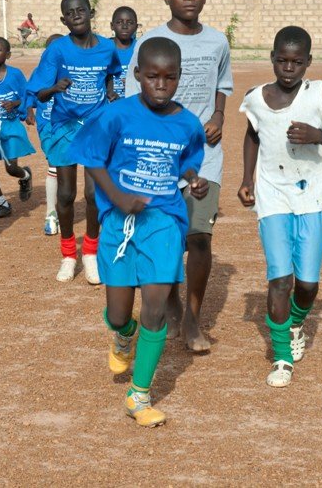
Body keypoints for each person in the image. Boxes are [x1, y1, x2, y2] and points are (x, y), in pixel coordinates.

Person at [73, 37, 207, 427]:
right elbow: (91, 158)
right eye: (152, 77)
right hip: (119, 222)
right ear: (137, 75)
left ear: (179, 77)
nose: (161, 85)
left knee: (155, 306)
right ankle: (122, 334)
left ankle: (139, 394)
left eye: (170, 77)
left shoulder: (187, 123)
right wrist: (116, 196)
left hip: (164, 220)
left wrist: (193, 179)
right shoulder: (116, 115)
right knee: (119, 314)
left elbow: (187, 161)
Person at [125, 0, 233, 352]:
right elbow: (133, 97)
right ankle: (170, 299)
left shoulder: (218, 42)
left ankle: (192, 318)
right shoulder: (149, 42)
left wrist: (218, 116)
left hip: (205, 155)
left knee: (200, 236)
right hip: (159, 157)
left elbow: (223, 85)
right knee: (166, 236)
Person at [238, 26, 322, 387]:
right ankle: (282, 357)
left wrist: (318, 136)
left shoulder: (320, 94)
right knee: (280, 279)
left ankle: (297, 321)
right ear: (272, 59)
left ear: (308, 62)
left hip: (312, 194)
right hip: (272, 194)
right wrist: (246, 179)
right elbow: (252, 136)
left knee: (306, 284)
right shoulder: (256, 98)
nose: (289, 68)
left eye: (297, 62)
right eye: (282, 61)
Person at [27, 0, 121, 283]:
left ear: (91, 13)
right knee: (66, 195)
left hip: (96, 126)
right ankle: (68, 255)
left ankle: (90, 253)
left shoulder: (107, 47)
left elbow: (111, 73)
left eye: (81, 10)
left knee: (93, 194)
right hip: (65, 126)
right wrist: (55, 88)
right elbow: (39, 93)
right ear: (63, 20)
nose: (76, 15)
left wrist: (110, 93)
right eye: (70, 13)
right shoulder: (57, 50)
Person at [0, 37, 35, 220]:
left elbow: (26, 96)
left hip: (10, 125)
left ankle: (25, 175)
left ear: (8, 54)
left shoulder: (15, 74)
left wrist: (17, 105)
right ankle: (2, 203)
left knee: (11, 168)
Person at [27, 33, 64, 235]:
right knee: (54, 165)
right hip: (47, 126)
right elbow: (30, 93)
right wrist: (28, 110)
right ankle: (51, 213)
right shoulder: (40, 72)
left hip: (68, 124)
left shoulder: (71, 71)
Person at [110, 6, 138, 98]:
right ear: (112, 26)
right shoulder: (104, 49)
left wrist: (134, 84)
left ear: (136, 27)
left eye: (130, 23)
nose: (124, 26)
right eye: (119, 22)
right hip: (109, 103)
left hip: (133, 102)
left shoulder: (140, 48)